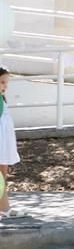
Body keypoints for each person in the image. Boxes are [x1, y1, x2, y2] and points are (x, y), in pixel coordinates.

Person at [0, 68, 20, 217]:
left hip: (4, 145)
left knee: (3, 177)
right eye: (2, 82)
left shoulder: (2, 99)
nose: (5, 86)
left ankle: (3, 208)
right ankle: (5, 209)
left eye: (6, 83)